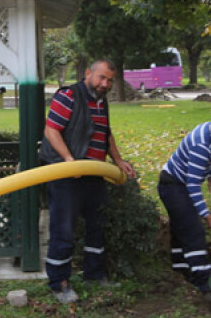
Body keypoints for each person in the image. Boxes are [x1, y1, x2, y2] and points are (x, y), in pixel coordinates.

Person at [38, 59, 138, 304]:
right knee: (63, 230)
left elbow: (106, 132)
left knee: (97, 223)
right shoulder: (69, 96)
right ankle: (59, 283)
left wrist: (118, 160)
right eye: (101, 78)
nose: (105, 84)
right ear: (88, 74)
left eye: (110, 80)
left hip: (93, 174)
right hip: (66, 174)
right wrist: (69, 160)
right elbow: (51, 130)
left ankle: (94, 275)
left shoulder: (100, 100)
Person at [157, 108, 211, 303]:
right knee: (193, 230)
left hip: (177, 183)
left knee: (181, 227)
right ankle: (204, 284)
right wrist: (205, 214)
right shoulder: (201, 144)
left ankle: (181, 268)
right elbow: (192, 184)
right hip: (172, 185)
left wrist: (210, 176)